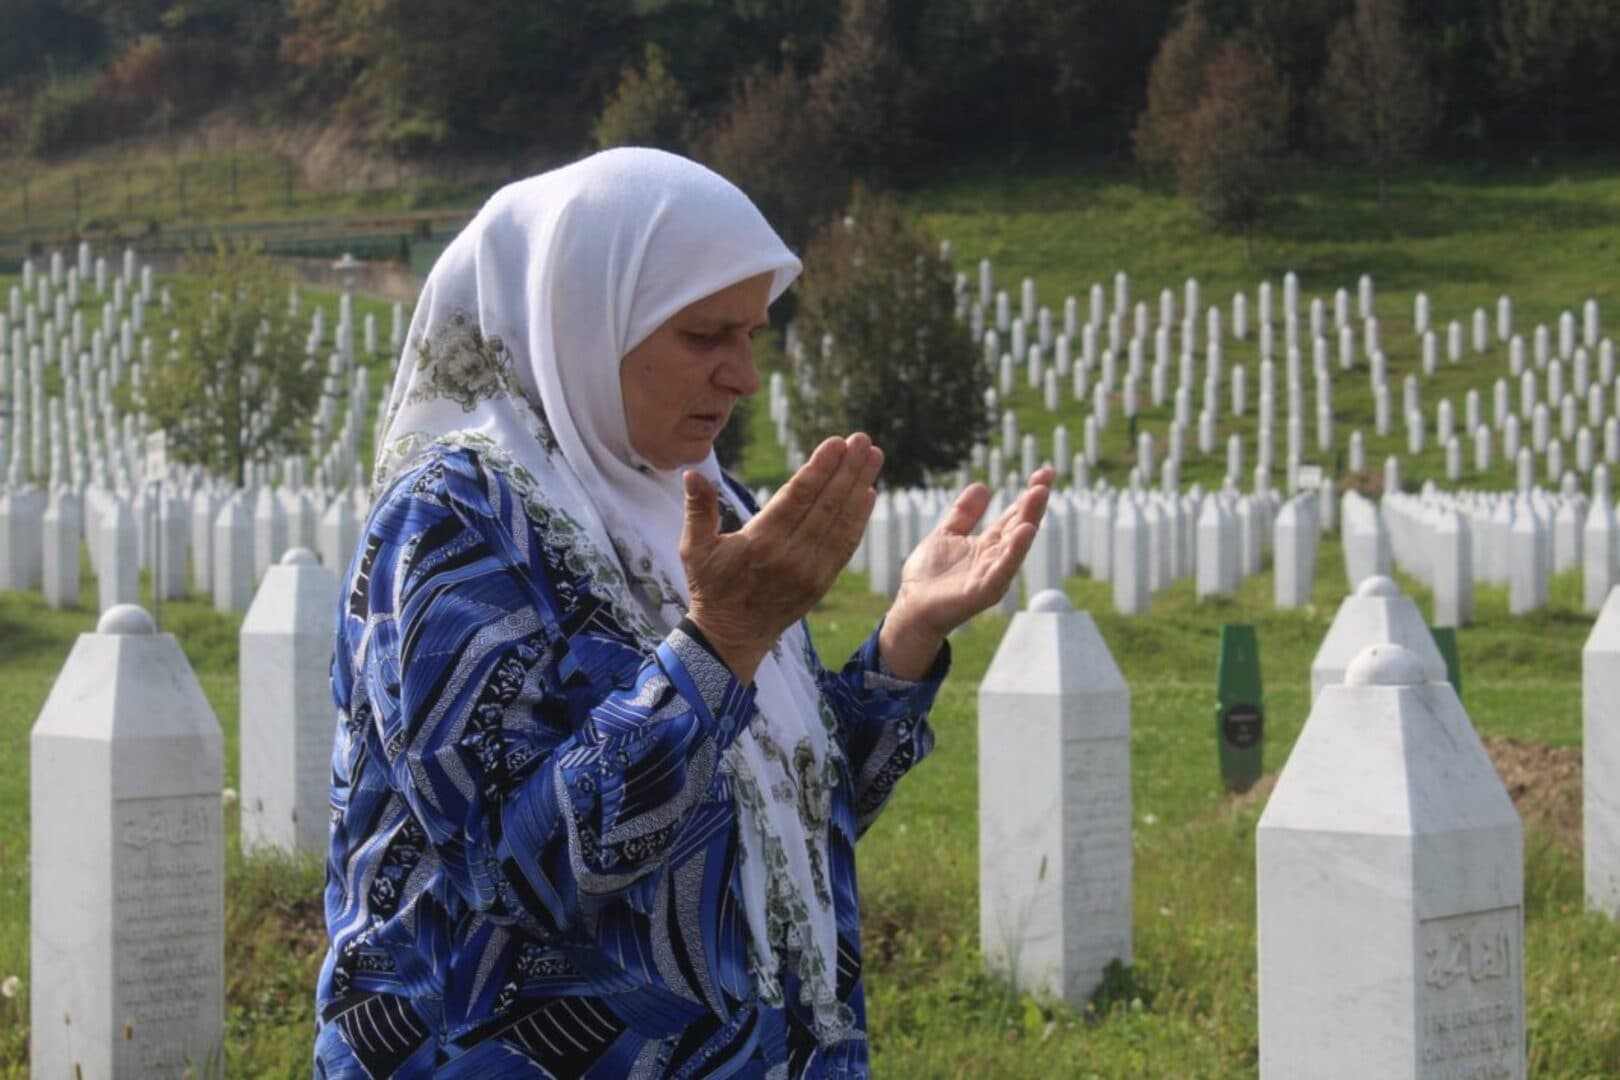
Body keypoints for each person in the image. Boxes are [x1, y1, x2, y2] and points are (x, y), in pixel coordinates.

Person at [315, 148, 1052, 1077]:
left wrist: (907, 638)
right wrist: (723, 644)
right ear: (584, 319)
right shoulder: (455, 522)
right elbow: (517, 869)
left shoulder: (705, 503)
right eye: (706, 335)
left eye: (752, 333)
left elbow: (776, 808)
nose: (743, 375)